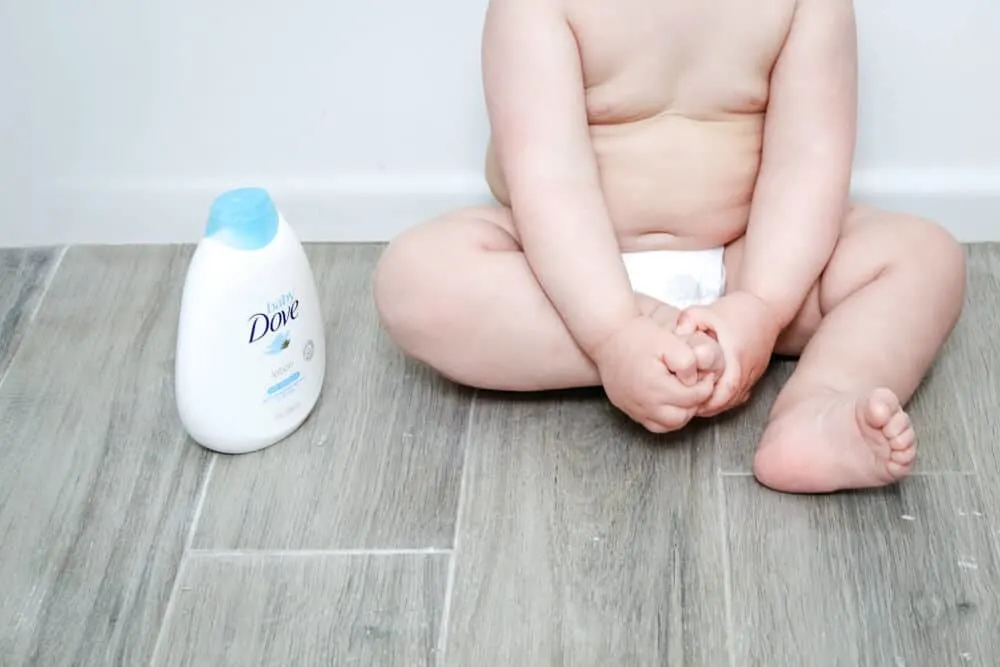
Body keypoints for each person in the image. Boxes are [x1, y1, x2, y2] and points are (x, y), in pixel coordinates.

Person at [372, 0, 967, 494]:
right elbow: (549, 182)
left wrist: (761, 305)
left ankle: (816, 410)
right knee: (415, 280)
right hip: (565, 278)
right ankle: (651, 354)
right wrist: (615, 334)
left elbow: (807, 163)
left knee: (924, 257)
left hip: (746, 265)